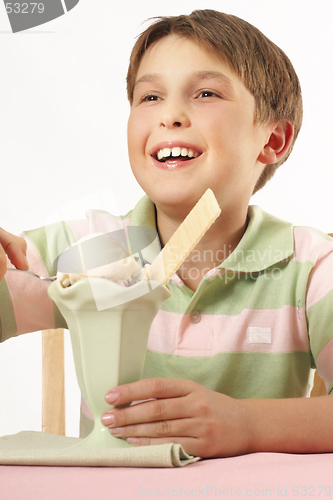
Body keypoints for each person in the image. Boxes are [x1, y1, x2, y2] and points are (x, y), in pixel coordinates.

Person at [1, 10, 332, 458]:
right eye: (150, 97)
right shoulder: (83, 251)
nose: (171, 115)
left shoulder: (311, 268)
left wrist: (246, 424)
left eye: (206, 93)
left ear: (273, 140)